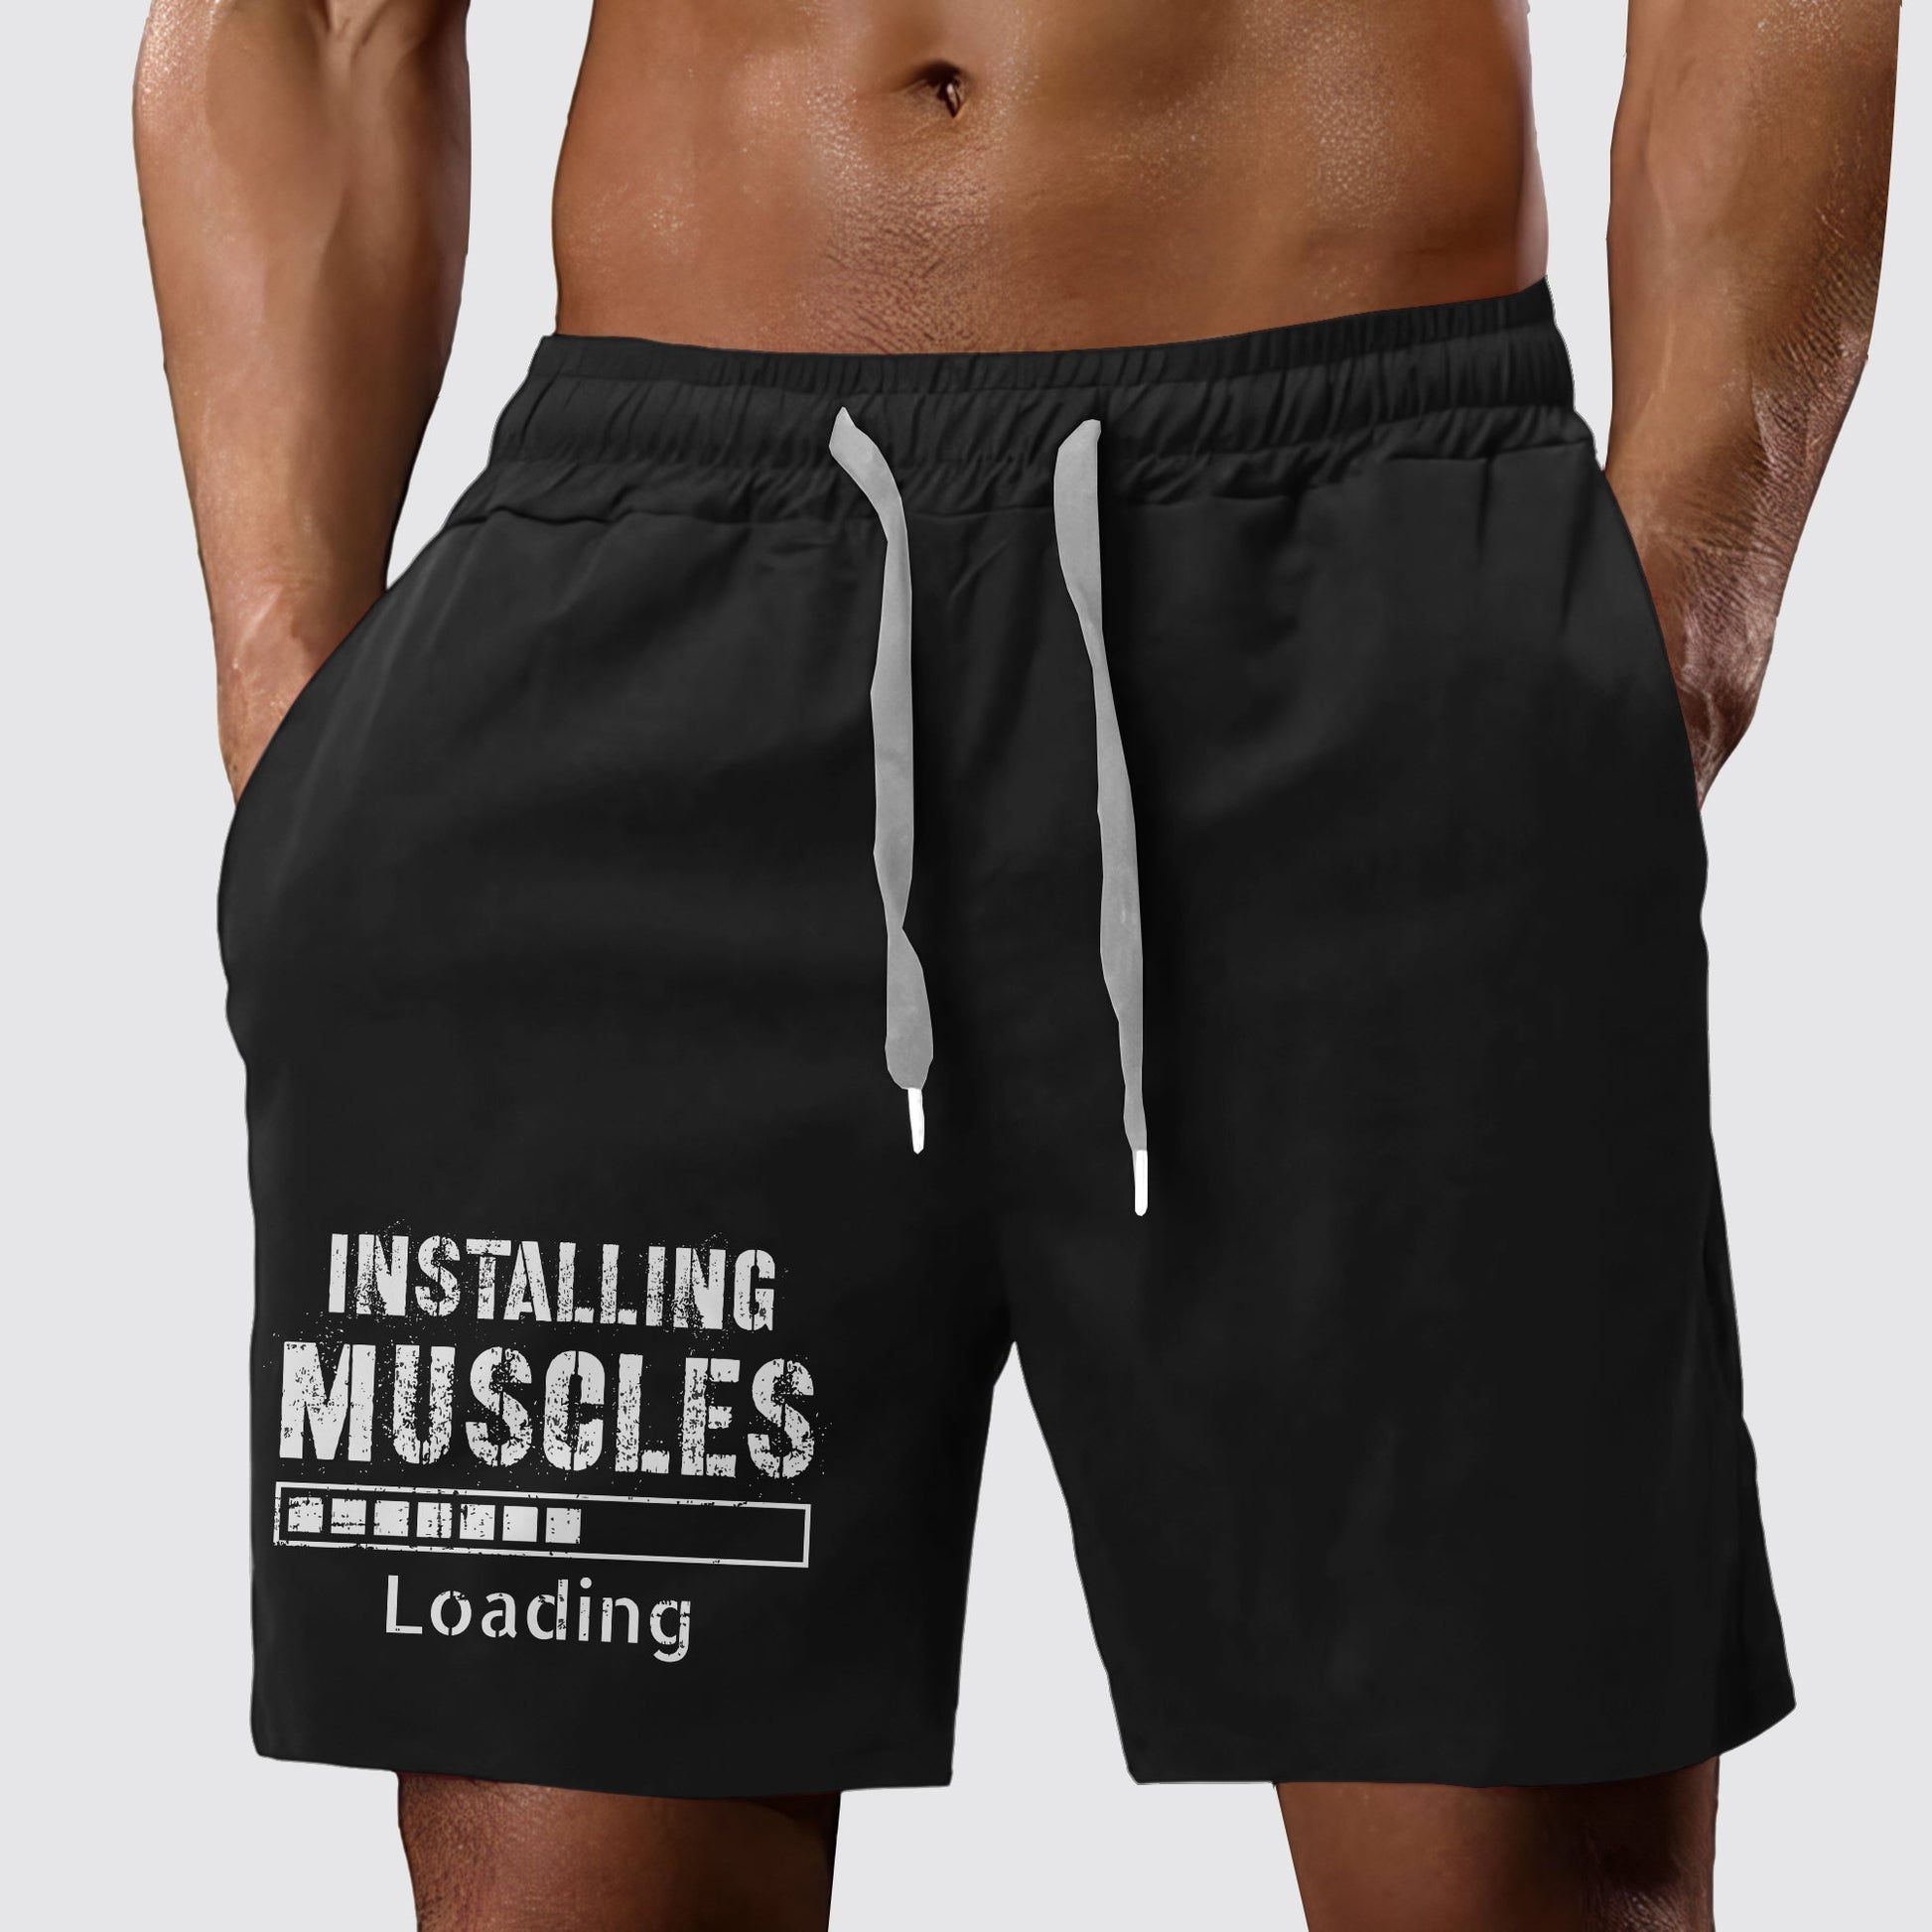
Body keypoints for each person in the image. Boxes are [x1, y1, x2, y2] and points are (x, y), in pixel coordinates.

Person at [134, 3, 1897, 1927]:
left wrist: (1677, 624)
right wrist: (288, 707)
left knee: (1512, 1871)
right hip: (623, 630)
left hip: (1358, 576)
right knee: (566, 1885)